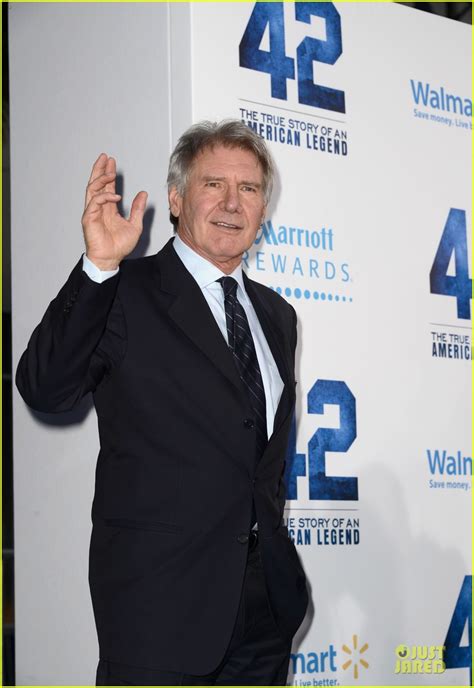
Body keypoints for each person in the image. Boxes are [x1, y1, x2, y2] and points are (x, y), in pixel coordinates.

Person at [16, 120, 308, 686]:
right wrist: (99, 267)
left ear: (263, 209)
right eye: (212, 184)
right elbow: (44, 387)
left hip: (263, 615)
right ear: (176, 199)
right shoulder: (126, 290)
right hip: (159, 615)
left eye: (248, 189)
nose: (231, 202)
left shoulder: (278, 316)